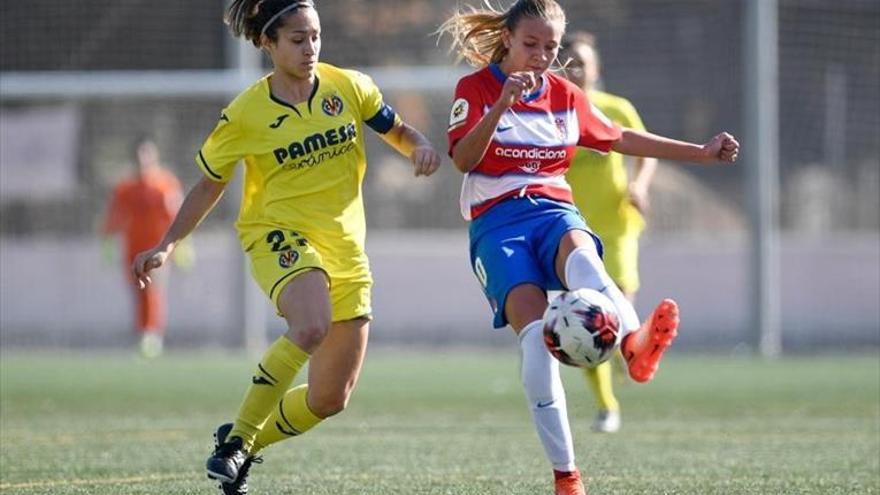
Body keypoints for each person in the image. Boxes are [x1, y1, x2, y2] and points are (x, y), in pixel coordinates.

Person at [132, 1, 441, 493]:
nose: (310, 48)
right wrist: (169, 243)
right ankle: (236, 445)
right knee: (312, 323)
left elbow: (399, 131)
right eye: (297, 39)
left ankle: (242, 442)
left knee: (329, 399)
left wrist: (419, 147)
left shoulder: (351, 87)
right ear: (268, 44)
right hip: (277, 235)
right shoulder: (245, 114)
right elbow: (209, 184)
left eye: (315, 36)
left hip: (346, 249)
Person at [438, 1, 738, 494]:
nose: (540, 56)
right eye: (530, 44)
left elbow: (618, 137)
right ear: (509, 39)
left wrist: (700, 153)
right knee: (536, 339)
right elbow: (463, 158)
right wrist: (501, 106)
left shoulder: (565, 95)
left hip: (552, 209)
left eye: (550, 47)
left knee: (586, 261)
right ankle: (567, 477)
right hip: (497, 225)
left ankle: (633, 345)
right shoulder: (475, 88)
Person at [558, 31, 659, 434]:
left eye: (582, 62)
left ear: (596, 69)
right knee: (586, 318)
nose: (576, 70)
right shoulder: (551, 112)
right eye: (569, 64)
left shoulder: (616, 108)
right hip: (570, 228)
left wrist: (639, 186)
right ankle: (606, 406)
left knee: (617, 309)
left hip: (615, 227)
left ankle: (629, 351)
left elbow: (646, 150)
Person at [101, 137, 190, 358]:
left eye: (147, 154)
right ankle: (143, 332)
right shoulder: (126, 188)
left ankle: (152, 335)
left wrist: (181, 246)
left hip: (157, 248)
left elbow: (178, 215)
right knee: (138, 290)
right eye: (140, 154)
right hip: (133, 249)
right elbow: (114, 217)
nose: (143, 159)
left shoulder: (165, 184)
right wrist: (108, 243)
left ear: (154, 156)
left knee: (154, 289)